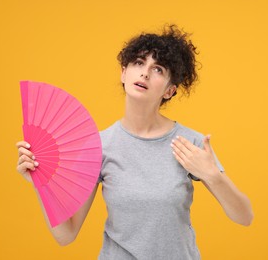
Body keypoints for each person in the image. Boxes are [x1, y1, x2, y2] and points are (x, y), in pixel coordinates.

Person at [16, 24, 253, 260]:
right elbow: (66, 235)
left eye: (158, 69)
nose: (145, 73)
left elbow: (245, 217)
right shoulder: (99, 146)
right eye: (139, 63)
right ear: (124, 72)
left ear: (170, 91)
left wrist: (213, 175)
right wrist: (41, 181)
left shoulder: (189, 143)